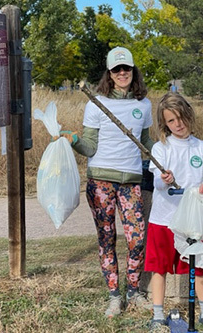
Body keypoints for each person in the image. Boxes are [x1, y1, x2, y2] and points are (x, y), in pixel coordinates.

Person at [57, 46, 153, 318]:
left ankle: (133, 292)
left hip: (131, 180)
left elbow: (145, 142)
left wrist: (168, 158)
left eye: (126, 68)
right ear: (109, 74)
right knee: (107, 237)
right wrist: (74, 140)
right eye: (116, 69)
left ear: (133, 71)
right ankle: (114, 296)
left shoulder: (143, 104)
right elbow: (89, 146)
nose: (122, 73)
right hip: (101, 182)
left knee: (137, 239)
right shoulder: (96, 104)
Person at [144, 93, 203, 332]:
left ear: (189, 115)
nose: (178, 124)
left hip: (192, 221)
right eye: (171, 121)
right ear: (164, 124)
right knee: (159, 269)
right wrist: (165, 179)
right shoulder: (160, 149)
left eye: (181, 118)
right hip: (163, 220)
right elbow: (157, 183)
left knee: (197, 269)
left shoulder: (201, 147)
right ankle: (158, 316)